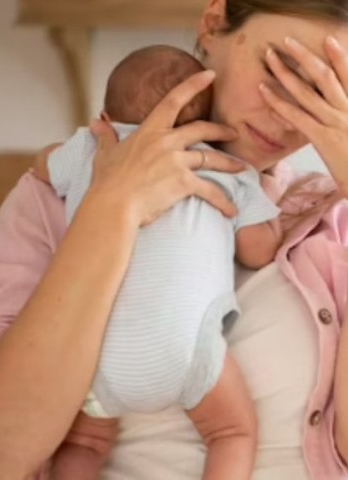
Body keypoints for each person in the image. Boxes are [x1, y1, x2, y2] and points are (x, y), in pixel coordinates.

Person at [0, 0, 348, 480]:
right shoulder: (56, 201)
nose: (286, 116)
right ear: (214, 23)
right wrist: (111, 209)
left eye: (321, 94)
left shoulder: (347, 225)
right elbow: (3, 451)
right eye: (277, 70)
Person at [42, 44, 281, 479]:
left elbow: (43, 168)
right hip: (186, 351)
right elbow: (259, 250)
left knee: (83, 442)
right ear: (208, 126)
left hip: (95, 352)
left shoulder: (96, 150)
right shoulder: (227, 168)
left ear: (106, 117)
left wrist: (87, 143)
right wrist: (266, 199)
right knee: (232, 433)